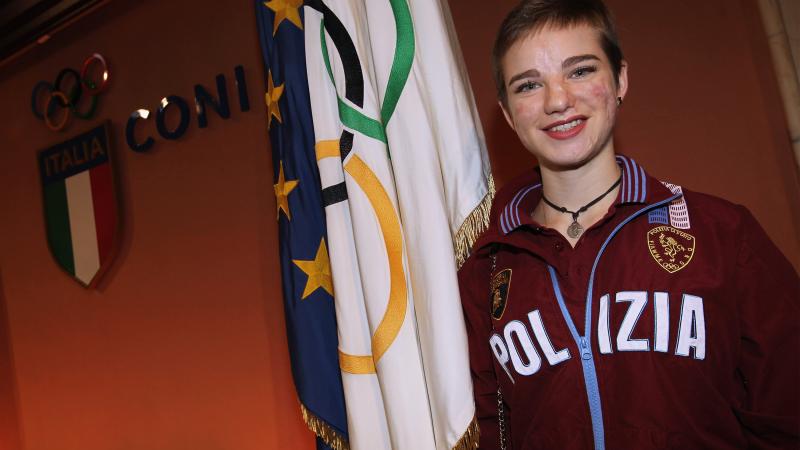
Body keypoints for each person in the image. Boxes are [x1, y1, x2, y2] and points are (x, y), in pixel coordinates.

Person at [457, 0, 800, 449]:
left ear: (619, 80)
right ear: (507, 113)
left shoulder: (722, 234)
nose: (557, 100)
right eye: (528, 85)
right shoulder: (484, 271)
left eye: (579, 71)